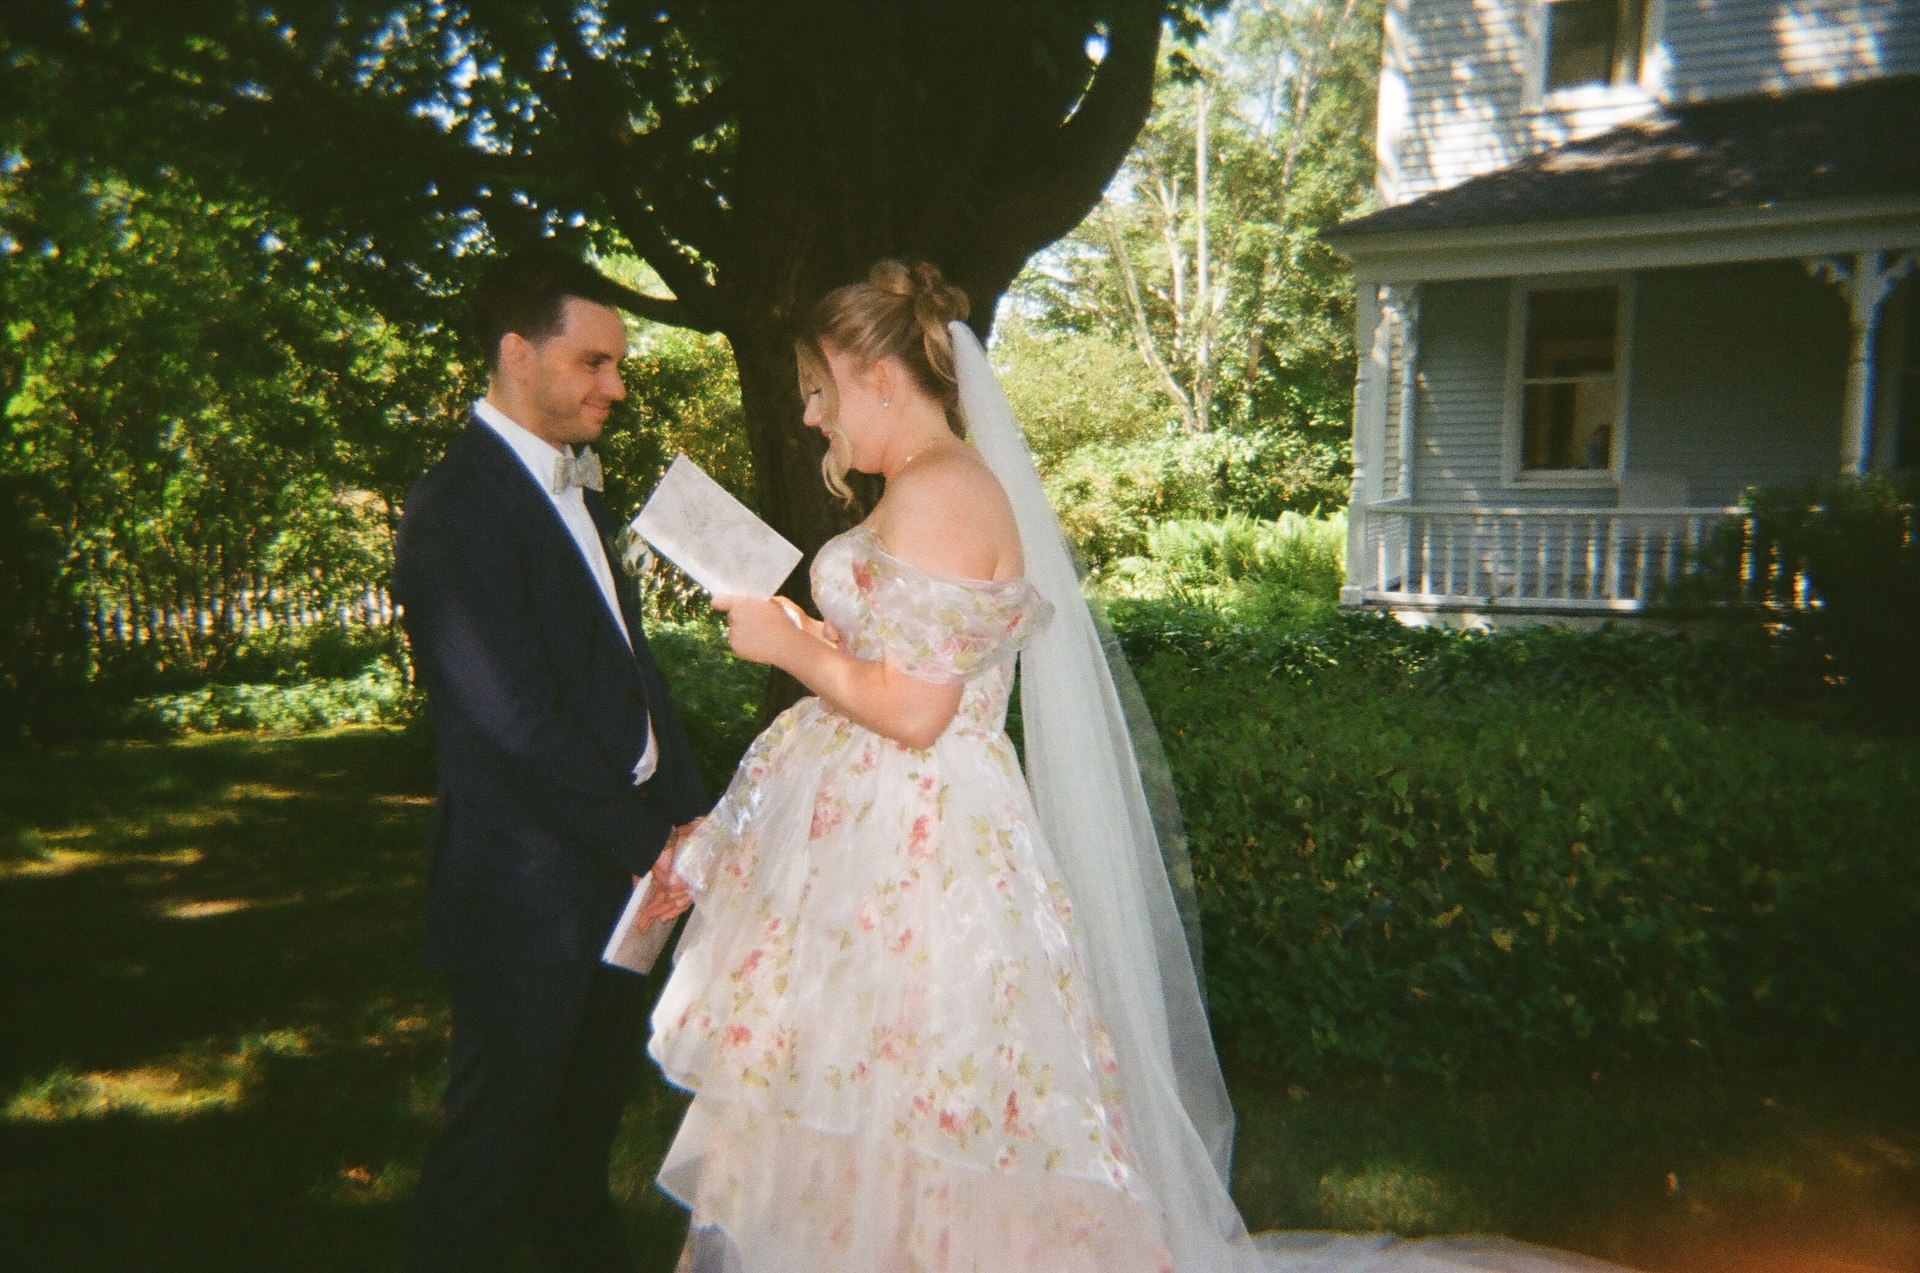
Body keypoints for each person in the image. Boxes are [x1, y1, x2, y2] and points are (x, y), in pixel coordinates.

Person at [645, 261, 1633, 1273]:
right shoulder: (924, 486)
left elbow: (918, 710)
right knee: (863, 1098)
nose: (811, 415)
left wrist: (790, 649)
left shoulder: (941, 489)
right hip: (880, 841)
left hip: (919, 854)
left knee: (919, 1096)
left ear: (876, 375)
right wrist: (823, 638)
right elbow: (909, 663)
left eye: (818, 388)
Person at [393, 247, 709, 1273]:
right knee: (486, 1173)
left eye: (617, 364)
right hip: (528, 894)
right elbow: (517, 721)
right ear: (517, 354)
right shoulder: (457, 507)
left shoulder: (579, 489)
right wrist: (648, 842)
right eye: (593, 363)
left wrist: (688, 812)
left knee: (572, 1157)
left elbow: (627, 668)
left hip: (620, 884)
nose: (615, 386)